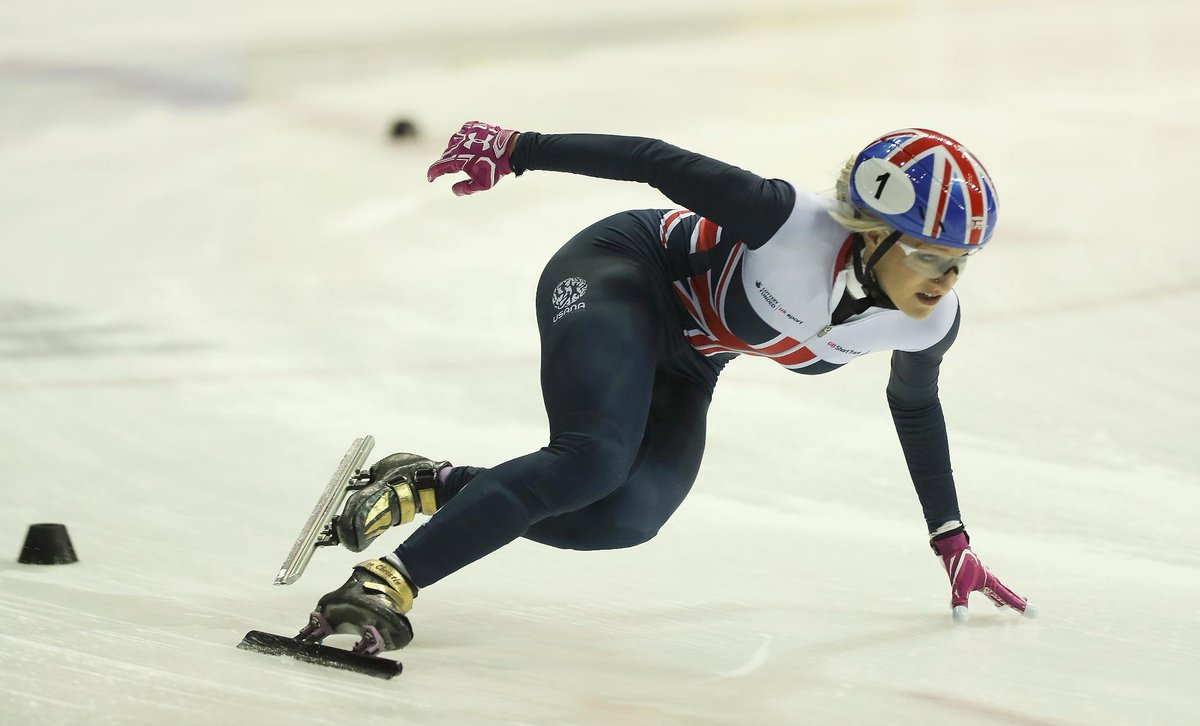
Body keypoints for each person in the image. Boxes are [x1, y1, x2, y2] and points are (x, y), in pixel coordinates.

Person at [297, 121, 1037, 655]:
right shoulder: (787, 221)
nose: (946, 279)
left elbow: (914, 405)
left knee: (624, 518)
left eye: (962, 263)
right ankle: (386, 582)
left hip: (693, 357)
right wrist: (518, 149)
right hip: (622, 272)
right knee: (592, 459)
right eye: (932, 255)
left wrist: (951, 536)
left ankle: (433, 484)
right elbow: (656, 160)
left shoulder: (923, 324)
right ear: (871, 234)